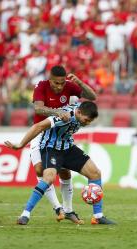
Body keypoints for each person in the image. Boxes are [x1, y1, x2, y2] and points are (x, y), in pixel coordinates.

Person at [5, 101, 115, 225]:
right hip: (51, 149)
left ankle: (98, 216)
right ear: (78, 112)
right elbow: (38, 126)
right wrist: (20, 145)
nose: (87, 123)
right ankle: (25, 214)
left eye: (90, 121)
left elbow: (88, 97)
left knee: (95, 173)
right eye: (86, 120)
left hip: (68, 147)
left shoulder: (79, 110)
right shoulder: (64, 116)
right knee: (48, 178)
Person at [31, 65, 97, 224]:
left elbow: (92, 97)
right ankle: (57, 208)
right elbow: (38, 109)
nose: (60, 86)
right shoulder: (41, 86)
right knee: (40, 170)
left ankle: (68, 210)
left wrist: (80, 83)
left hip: (59, 135)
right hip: (40, 132)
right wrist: (57, 112)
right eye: (56, 83)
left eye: (62, 83)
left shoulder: (68, 85)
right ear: (50, 78)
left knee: (65, 172)